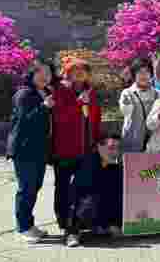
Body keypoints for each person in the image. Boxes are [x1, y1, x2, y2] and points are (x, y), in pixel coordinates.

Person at [51, 58, 102, 234]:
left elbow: (95, 119)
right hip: (65, 149)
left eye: (83, 70)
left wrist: (96, 142)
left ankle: (82, 222)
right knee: (63, 188)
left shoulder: (91, 92)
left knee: (85, 188)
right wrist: (79, 103)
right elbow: (59, 117)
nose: (79, 73)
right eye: (75, 69)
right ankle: (66, 225)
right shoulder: (61, 90)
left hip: (87, 149)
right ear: (68, 72)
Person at [6, 61, 54, 243]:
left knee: (34, 187)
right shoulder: (24, 93)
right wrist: (43, 107)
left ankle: (29, 224)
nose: (46, 76)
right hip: (24, 149)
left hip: (39, 149)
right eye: (42, 72)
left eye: (48, 73)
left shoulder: (46, 92)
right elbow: (23, 121)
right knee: (26, 188)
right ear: (32, 74)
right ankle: (23, 227)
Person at [65, 135, 124, 248]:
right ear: (99, 147)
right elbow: (75, 197)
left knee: (119, 192)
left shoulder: (114, 165)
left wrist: (115, 223)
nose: (115, 152)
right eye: (111, 148)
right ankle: (73, 233)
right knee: (90, 201)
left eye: (118, 148)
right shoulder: (88, 165)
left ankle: (103, 226)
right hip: (80, 207)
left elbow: (115, 194)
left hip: (97, 206)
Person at [119, 58, 158, 153]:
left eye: (147, 72)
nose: (143, 75)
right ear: (134, 74)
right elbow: (126, 112)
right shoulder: (127, 93)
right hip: (132, 142)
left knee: (151, 168)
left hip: (152, 144)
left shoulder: (157, 94)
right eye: (140, 72)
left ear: (151, 74)